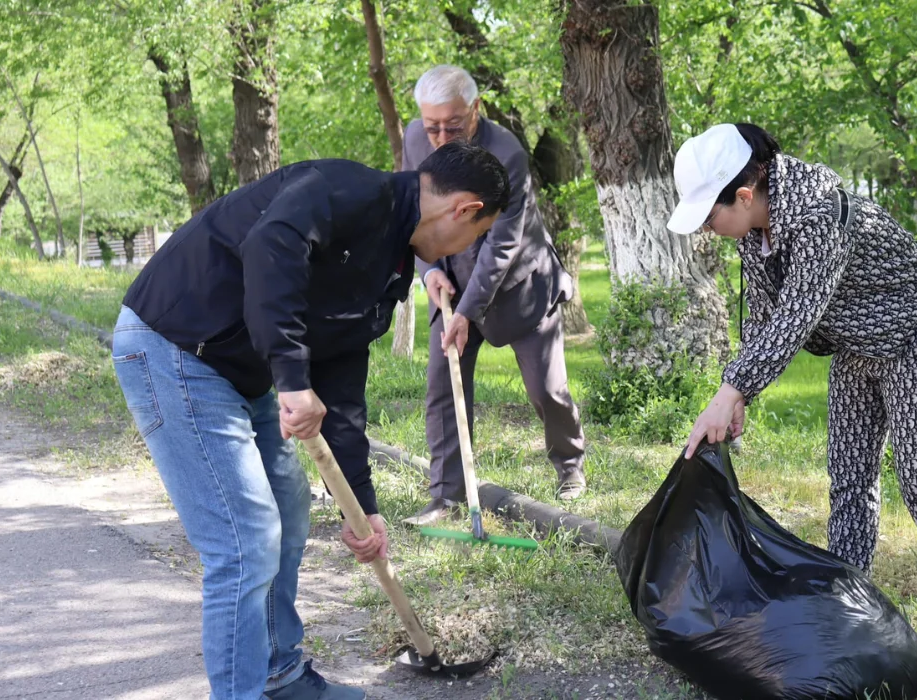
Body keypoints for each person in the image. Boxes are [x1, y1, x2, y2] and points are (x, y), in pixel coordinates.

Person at [111, 142, 511, 700]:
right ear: (464, 210)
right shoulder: (344, 190)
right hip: (174, 348)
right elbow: (270, 247)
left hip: (237, 370)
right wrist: (294, 381)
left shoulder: (391, 261)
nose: (469, 248)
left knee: (289, 515)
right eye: (479, 233)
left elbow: (342, 383)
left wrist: (362, 506)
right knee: (246, 541)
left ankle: (280, 678)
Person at [672, 123, 917, 663]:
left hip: (912, 330)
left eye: (709, 216)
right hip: (854, 343)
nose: (707, 228)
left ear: (745, 195)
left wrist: (730, 390)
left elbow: (796, 318)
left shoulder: (821, 216)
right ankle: (849, 598)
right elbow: (763, 316)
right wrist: (739, 396)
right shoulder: (756, 232)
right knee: (849, 478)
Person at [399, 64, 587, 527]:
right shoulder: (414, 138)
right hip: (450, 280)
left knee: (547, 390)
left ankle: (570, 468)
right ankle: (446, 496)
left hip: (519, 284)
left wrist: (467, 311)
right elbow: (413, 214)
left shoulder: (507, 153)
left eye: (453, 125)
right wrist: (429, 273)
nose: (440, 136)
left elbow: (502, 243)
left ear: (476, 109)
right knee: (443, 387)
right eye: (432, 126)